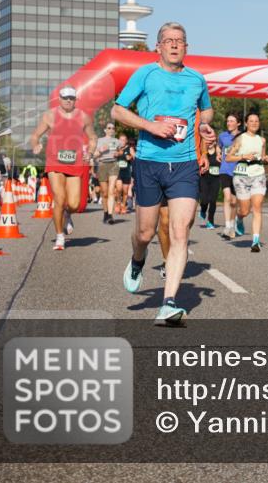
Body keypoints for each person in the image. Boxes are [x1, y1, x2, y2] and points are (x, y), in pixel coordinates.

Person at [111, 21, 215, 324]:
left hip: (183, 165)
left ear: (186, 47)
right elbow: (117, 110)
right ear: (158, 46)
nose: (173, 45)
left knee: (180, 232)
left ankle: (169, 302)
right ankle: (137, 260)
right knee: (145, 233)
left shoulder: (197, 79)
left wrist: (204, 126)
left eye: (179, 41)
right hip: (149, 162)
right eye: (168, 40)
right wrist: (150, 126)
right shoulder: (146, 74)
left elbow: (206, 110)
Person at [29, 86, 98, 250]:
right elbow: (35, 135)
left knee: (74, 204)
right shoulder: (50, 115)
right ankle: (60, 236)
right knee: (59, 198)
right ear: (59, 98)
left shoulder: (83, 117)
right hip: (54, 161)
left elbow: (93, 137)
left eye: (71, 98)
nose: (68, 100)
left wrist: (91, 151)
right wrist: (35, 145)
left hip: (75, 162)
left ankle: (67, 214)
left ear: (75, 100)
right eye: (65, 97)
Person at [226, 112, 268, 252]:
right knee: (245, 210)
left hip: (258, 175)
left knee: (257, 208)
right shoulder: (240, 139)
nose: (254, 123)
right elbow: (228, 158)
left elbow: (262, 156)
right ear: (246, 123)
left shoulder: (262, 140)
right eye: (251, 121)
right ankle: (239, 218)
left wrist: (266, 158)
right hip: (241, 176)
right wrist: (244, 156)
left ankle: (255, 241)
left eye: (256, 121)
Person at [218, 113, 241, 240]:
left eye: (232, 121)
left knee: (234, 201)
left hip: (238, 171)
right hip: (225, 169)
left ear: (238, 123)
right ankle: (227, 226)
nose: (229, 123)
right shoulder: (222, 136)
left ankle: (232, 224)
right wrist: (217, 153)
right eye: (227, 121)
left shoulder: (243, 137)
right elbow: (218, 146)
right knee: (227, 197)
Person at [93, 122, 122, 222]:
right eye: (109, 128)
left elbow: (121, 151)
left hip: (113, 164)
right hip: (102, 165)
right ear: (105, 130)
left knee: (111, 191)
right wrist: (101, 150)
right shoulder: (99, 141)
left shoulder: (117, 141)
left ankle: (110, 215)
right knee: (104, 192)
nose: (111, 130)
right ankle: (105, 212)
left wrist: (118, 153)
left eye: (113, 128)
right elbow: (94, 155)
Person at [198, 135, 221, 230]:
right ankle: (203, 209)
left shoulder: (219, 153)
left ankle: (210, 221)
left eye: (212, 141)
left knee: (212, 201)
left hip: (215, 179)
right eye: (208, 141)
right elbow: (198, 164)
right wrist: (200, 170)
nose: (210, 143)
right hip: (204, 178)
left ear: (215, 142)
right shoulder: (203, 153)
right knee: (204, 200)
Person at [115, 135, 134, 214]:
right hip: (118, 171)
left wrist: (130, 157)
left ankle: (123, 205)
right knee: (119, 189)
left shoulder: (130, 148)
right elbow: (112, 156)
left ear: (126, 141)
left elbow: (134, 156)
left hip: (126, 172)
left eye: (123, 140)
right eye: (120, 140)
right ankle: (118, 203)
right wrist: (116, 154)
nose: (122, 142)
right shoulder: (116, 148)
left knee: (125, 191)